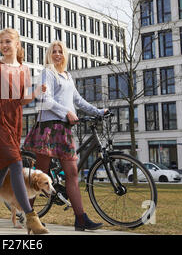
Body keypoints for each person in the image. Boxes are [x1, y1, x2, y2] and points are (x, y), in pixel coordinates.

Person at [23, 41, 108, 231]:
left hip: (65, 130)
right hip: (49, 128)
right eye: (54, 51)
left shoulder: (68, 76)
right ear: (49, 55)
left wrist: (98, 112)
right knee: (39, 176)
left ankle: (80, 219)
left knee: (72, 173)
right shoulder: (48, 72)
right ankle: (29, 216)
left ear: (65, 54)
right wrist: (66, 113)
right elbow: (46, 98)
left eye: (60, 51)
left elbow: (78, 100)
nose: (57, 54)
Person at [0, 28, 48, 235]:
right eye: (2, 43)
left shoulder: (24, 69)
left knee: (1, 171)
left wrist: (36, 92)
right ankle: (31, 217)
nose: (4, 45)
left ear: (17, 44)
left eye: (8, 42)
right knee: (16, 163)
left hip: (16, 119)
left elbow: (22, 99)